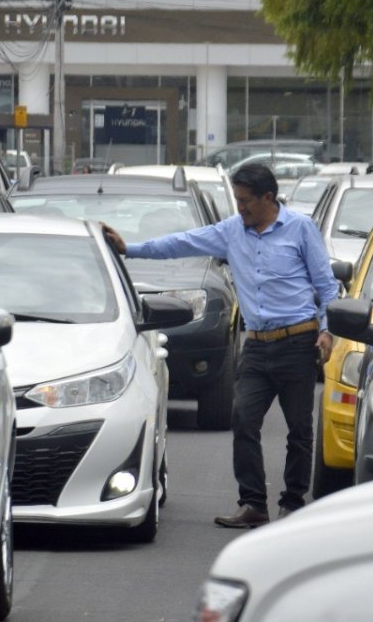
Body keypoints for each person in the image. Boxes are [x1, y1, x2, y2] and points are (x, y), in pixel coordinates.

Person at [101, 163, 339, 528]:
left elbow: (326, 286)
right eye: (238, 201)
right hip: (257, 346)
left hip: (297, 342)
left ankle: (292, 504)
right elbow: (181, 242)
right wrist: (128, 248)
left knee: (299, 430)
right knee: (243, 419)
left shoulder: (300, 229)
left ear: (268, 199)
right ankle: (254, 504)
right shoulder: (232, 232)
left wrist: (326, 330)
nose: (240, 208)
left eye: (246, 201)